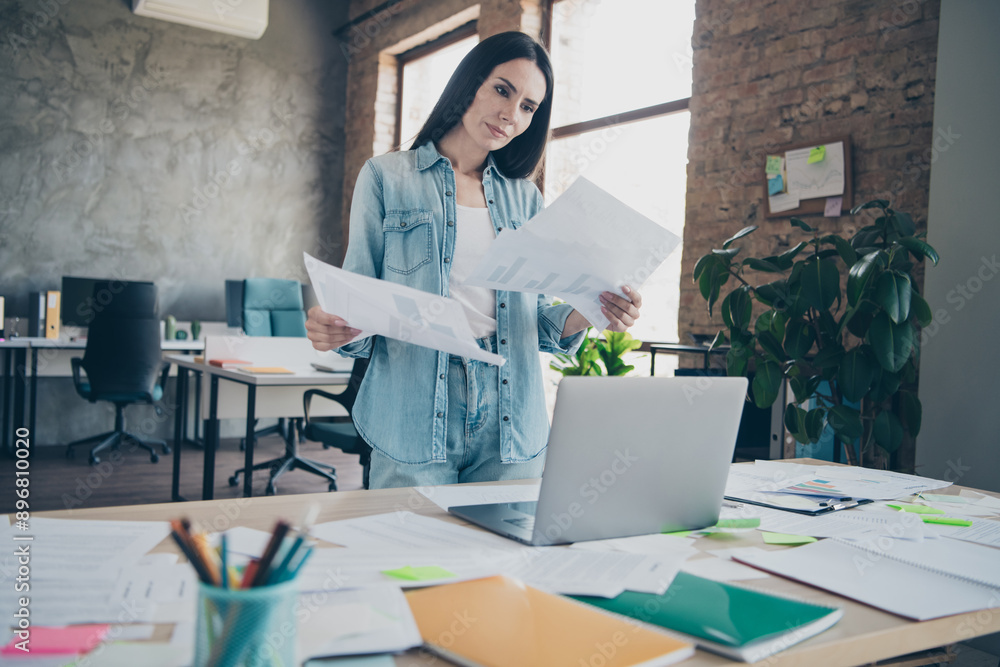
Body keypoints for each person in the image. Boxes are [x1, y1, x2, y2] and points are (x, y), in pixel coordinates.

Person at [306, 31, 642, 489]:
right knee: (409, 558)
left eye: (528, 106)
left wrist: (591, 310)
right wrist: (335, 325)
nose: (511, 114)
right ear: (469, 84)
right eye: (503, 90)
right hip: (413, 414)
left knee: (500, 559)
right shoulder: (387, 178)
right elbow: (358, 302)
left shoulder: (525, 200)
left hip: (511, 422)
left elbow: (538, 322)